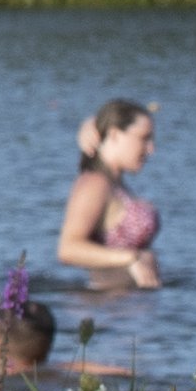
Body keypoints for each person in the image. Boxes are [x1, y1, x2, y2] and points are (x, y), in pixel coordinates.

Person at [56, 100, 162, 291]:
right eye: (144, 138)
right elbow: (68, 249)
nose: (151, 149)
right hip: (106, 309)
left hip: (128, 307)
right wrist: (131, 258)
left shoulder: (115, 185)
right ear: (114, 135)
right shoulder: (95, 184)